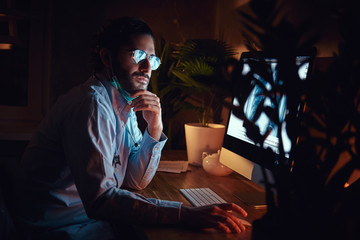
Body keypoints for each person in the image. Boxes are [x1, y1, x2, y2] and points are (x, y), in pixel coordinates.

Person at [10, 17, 248, 239]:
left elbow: (134, 181)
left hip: (82, 218)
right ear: (106, 57)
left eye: (152, 59)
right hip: (54, 226)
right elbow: (101, 200)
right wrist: (184, 213)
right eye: (137, 55)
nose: (147, 67)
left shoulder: (124, 101)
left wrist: (155, 127)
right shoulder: (92, 106)